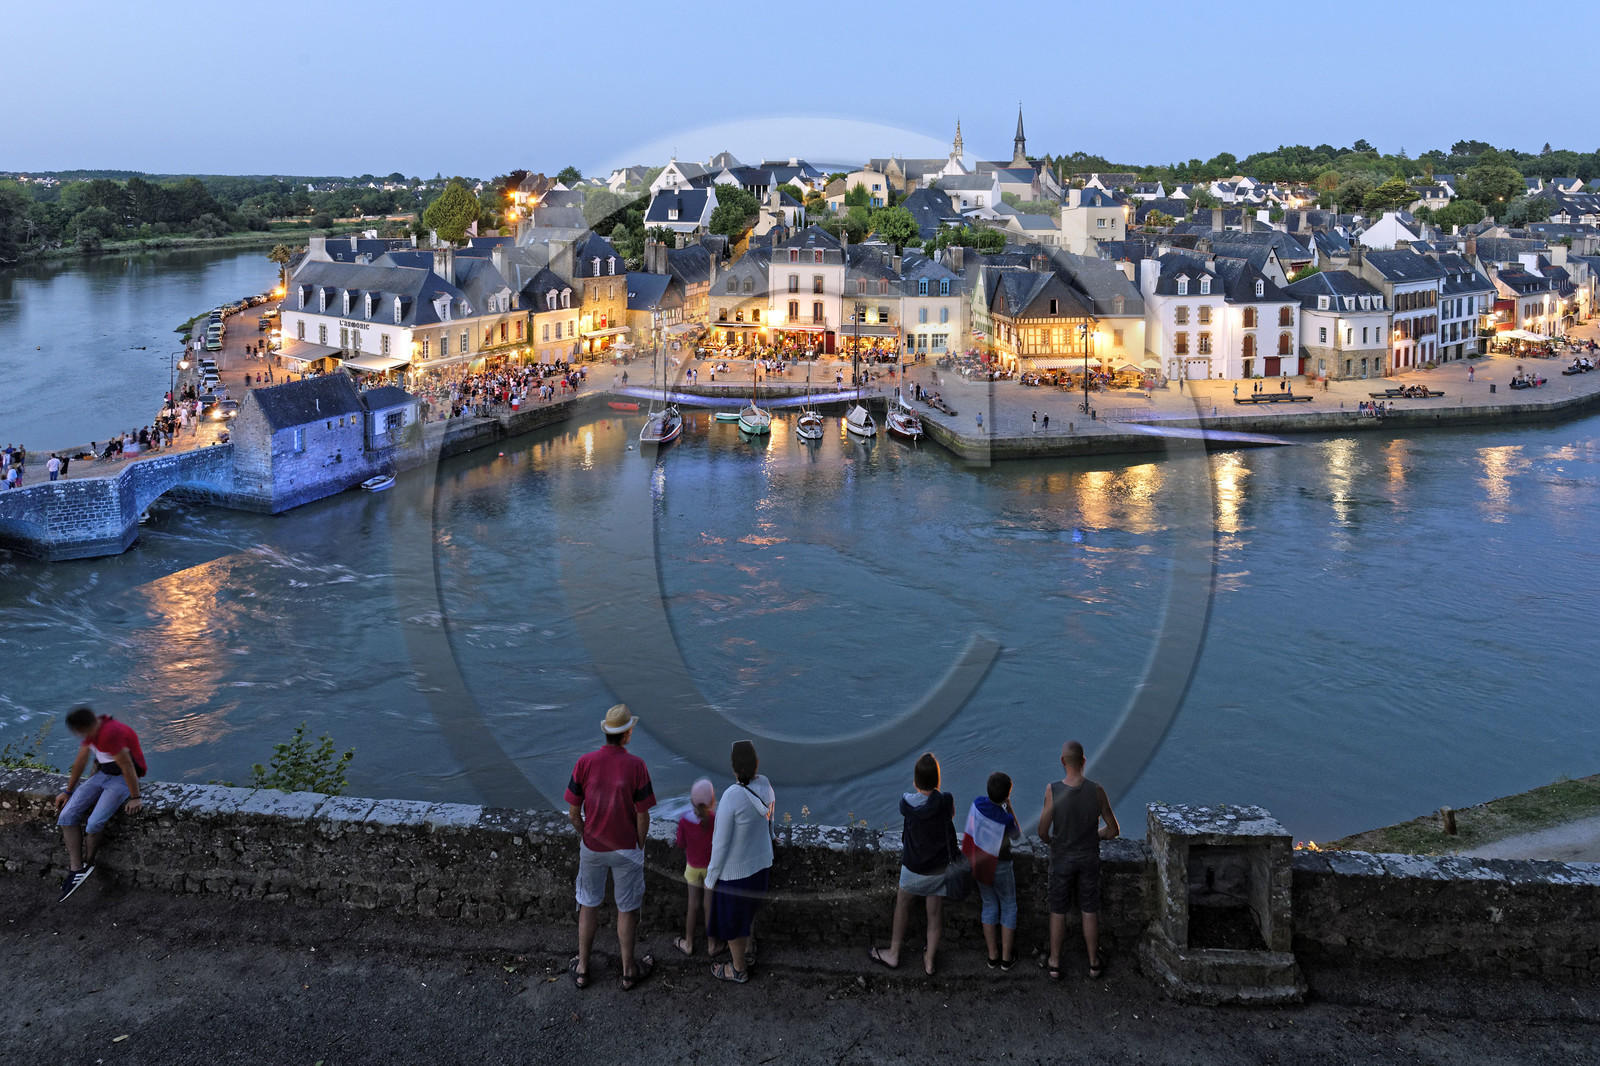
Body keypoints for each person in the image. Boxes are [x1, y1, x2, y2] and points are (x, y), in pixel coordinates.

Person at [564, 704, 657, 990]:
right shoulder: (637, 766)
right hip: (626, 849)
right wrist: (639, 845)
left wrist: (586, 835)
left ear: (606, 732)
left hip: (593, 847)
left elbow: (572, 812)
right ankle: (629, 971)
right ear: (627, 734)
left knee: (588, 904)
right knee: (626, 909)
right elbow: (643, 815)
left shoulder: (585, 762)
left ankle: (581, 968)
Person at [1038, 740, 1119, 980]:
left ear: (1063, 762)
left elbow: (1042, 832)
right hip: (1089, 859)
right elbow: (1113, 830)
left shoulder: (1053, 790)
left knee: (1058, 910)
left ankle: (1054, 963)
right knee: (1089, 910)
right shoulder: (1097, 790)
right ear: (1084, 761)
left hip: (1062, 858)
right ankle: (1094, 963)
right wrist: (1094, 835)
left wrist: (1056, 842)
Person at [869, 752, 956, 976]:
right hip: (937, 868)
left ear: (915, 781)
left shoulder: (906, 802)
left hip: (913, 868)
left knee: (902, 906)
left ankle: (894, 953)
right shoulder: (946, 800)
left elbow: (907, 810)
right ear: (938, 779)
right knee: (935, 914)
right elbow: (950, 816)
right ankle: (929, 960)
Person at [54, 705, 146, 901]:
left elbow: (128, 767)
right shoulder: (94, 729)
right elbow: (81, 761)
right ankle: (76, 869)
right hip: (103, 773)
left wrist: (135, 796)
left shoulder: (109, 734)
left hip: (122, 778)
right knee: (66, 816)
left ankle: (88, 862)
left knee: (94, 823)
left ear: (81, 728)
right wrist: (67, 791)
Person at [704, 741, 775, 984]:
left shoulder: (731, 796)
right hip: (762, 865)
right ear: (756, 764)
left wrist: (710, 878)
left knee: (733, 922)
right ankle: (749, 950)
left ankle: (738, 969)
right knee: (749, 911)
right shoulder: (765, 785)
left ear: (733, 767)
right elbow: (769, 819)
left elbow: (720, 844)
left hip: (736, 874)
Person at [963, 772, 1021, 970]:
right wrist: (1010, 808)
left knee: (989, 905)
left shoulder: (977, 804)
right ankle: (1006, 958)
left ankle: (992, 956)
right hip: (1002, 865)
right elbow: (1017, 835)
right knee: (1009, 905)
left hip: (980, 865)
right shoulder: (1005, 818)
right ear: (1007, 795)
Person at [674, 778, 716, 958]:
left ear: (691, 801)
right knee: (709, 906)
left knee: (693, 905)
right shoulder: (715, 819)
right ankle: (712, 945)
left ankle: (688, 943)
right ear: (712, 802)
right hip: (710, 869)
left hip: (692, 868)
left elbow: (680, 843)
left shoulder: (684, 820)